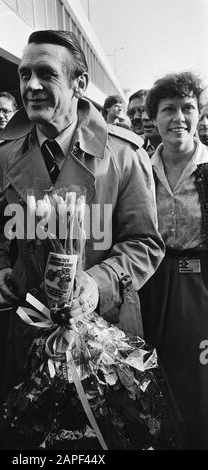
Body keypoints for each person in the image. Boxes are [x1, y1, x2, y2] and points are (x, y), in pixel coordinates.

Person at [0, 30, 164, 396]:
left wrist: (97, 283)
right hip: (29, 327)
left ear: (80, 83)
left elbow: (144, 244)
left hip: (104, 331)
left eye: (45, 73)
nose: (30, 86)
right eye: (24, 73)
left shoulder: (124, 155)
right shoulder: (6, 154)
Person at [138, 71, 208, 449]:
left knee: (197, 376)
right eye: (169, 109)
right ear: (154, 117)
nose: (179, 117)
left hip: (201, 285)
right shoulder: (140, 170)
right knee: (153, 367)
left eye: (188, 107)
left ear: (200, 114)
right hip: (152, 281)